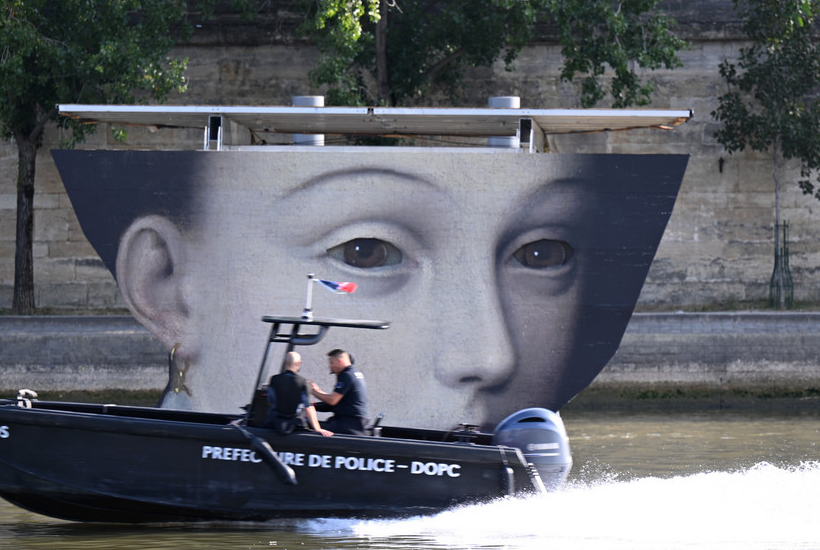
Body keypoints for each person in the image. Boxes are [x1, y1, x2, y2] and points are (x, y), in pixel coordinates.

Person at [53, 148, 687, 430]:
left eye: (541, 253)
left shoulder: (330, 386)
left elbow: (326, 409)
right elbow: (318, 404)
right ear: (163, 284)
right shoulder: (320, 384)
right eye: (366, 251)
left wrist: (318, 420)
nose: (490, 356)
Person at [265, 351, 333, 436]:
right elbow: (308, 407)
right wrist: (317, 428)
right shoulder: (303, 382)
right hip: (295, 424)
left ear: (285, 362)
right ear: (298, 363)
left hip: (275, 423)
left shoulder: (274, 379)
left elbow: (270, 401)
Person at [309, 349, 370, 435]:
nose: (330, 367)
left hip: (349, 424)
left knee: (310, 429)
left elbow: (332, 400)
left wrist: (312, 391)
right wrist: (313, 405)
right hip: (355, 423)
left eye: (331, 363)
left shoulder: (346, 376)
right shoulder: (353, 373)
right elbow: (337, 402)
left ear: (340, 361)